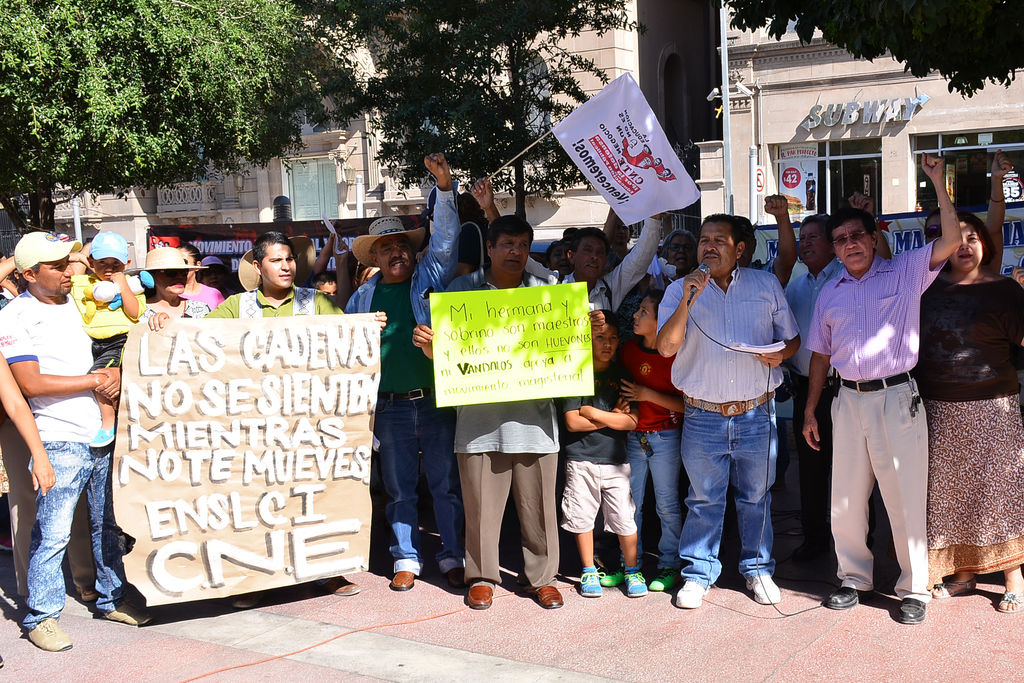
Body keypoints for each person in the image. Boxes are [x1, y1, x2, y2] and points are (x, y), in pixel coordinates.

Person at [802, 154, 964, 625]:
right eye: (840, 239)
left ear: (874, 238)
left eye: (857, 235)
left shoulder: (906, 270)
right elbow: (819, 355)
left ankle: (915, 587)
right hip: (845, 399)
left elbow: (951, 240)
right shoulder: (829, 293)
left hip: (896, 397)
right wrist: (812, 409)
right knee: (846, 497)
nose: (850, 244)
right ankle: (854, 578)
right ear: (833, 249)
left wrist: (936, 180)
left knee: (905, 494)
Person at [0, 232, 149, 652]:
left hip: (101, 434)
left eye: (69, 262)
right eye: (57, 266)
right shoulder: (14, 316)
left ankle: (112, 597)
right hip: (58, 435)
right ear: (29, 274)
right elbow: (29, 383)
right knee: (53, 532)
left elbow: (128, 326)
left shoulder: (83, 301)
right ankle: (41, 617)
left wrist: (117, 370)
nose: (70, 270)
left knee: (106, 526)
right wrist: (96, 381)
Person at [413, 215, 563, 611]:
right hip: (478, 424)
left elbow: (564, 351)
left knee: (540, 511)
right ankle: (481, 577)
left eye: (523, 245)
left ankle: (542, 579)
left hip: (535, 423)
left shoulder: (547, 292)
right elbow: (445, 356)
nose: (516, 251)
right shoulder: (461, 292)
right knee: (480, 509)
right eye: (507, 244)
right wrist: (430, 348)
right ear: (491, 249)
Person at [206, 230, 359, 606]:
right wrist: (163, 324)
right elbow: (194, 341)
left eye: (289, 259)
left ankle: (324, 571)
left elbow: (350, 338)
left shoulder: (315, 302)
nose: (286, 266)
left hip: (307, 422)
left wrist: (370, 329)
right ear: (258, 267)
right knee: (259, 501)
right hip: (255, 425)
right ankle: (256, 579)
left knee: (314, 497)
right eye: (276, 260)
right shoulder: (235, 307)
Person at [657, 214, 800, 610]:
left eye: (720, 240)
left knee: (756, 497)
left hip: (756, 414)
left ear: (739, 249)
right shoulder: (677, 290)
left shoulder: (765, 284)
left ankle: (757, 570)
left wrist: (781, 355)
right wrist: (689, 298)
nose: (709, 246)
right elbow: (666, 348)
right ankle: (697, 574)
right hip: (703, 416)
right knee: (704, 499)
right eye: (705, 239)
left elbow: (792, 339)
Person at [346, 153, 465, 592]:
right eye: (386, 247)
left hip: (435, 401)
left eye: (402, 245)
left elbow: (447, 240)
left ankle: (452, 555)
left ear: (414, 253)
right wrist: (361, 335)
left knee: (445, 486)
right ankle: (406, 558)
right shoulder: (361, 301)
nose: (396, 251)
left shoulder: (428, 281)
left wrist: (445, 188)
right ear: (374, 256)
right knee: (399, 491)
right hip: (390, 409)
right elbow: (342, 352)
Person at [914, 209, 1024, 613]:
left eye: (972, 237)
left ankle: (1014, 574)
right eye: (955, 238)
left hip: (994, 408)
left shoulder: (1005, 290)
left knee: (999, 492)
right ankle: (962, 573)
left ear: (986, 244)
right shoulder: (925, 288)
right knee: (946, 495)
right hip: (937, 407)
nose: (963, 245)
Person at [560, 314, 646, 598]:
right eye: (600, 338)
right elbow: (572, 422)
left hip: (616, 461)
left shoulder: (623, 375)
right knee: (582, 517)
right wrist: (612, 417)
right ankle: (588, 571)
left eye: (611, 338)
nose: (606, 344)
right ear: (588, 339)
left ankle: (632, 570)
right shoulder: (575, 373)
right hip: (580, 459)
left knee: (624, 517)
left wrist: (595, 414)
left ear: (619, 341)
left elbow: (631, 422)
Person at [611, 290, 686, 591]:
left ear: (661, 320)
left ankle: (670, 564)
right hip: (633, 436)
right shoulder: (628, 350)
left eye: (644, 311)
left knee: (667, 505)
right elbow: (620, 391)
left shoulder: (678, 356)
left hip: (666, 437)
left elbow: (688, 405)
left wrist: (648, 396)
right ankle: (630, 564)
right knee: (629, 505)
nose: (635, 316)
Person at [783, 213, 842, 562]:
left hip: (843, 389)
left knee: (853, 471)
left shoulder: (847, 278)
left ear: (833, 243)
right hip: (807, 389)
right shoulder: (796, 285)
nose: (805, 244)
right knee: (810, 470)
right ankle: (815, 540)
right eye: (801, 238)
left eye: (812, 238)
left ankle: (858, 544)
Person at [68, 232, 145, 448]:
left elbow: (134, 312)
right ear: (91, 262)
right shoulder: (83, 282)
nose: (109, 268)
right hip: (92, 342)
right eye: (102, 262)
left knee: (100, 377)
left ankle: (109, 424)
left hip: (119, 341)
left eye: (116, 263)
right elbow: (65, 270)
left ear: (127, 263)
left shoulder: (132, 284)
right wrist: (79, 256)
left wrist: (123, 283)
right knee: (106, 383)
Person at [136, 248, 211, 330]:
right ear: (151, 277)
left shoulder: (201, 309)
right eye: (171, 273)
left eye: (184, 272)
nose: (180, 277)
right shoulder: (137, 313)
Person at [178, 243, 225, 309]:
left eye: (184, 262)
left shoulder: (214, 294)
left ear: (197, 265)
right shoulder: (170, 294)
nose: (179, 267)